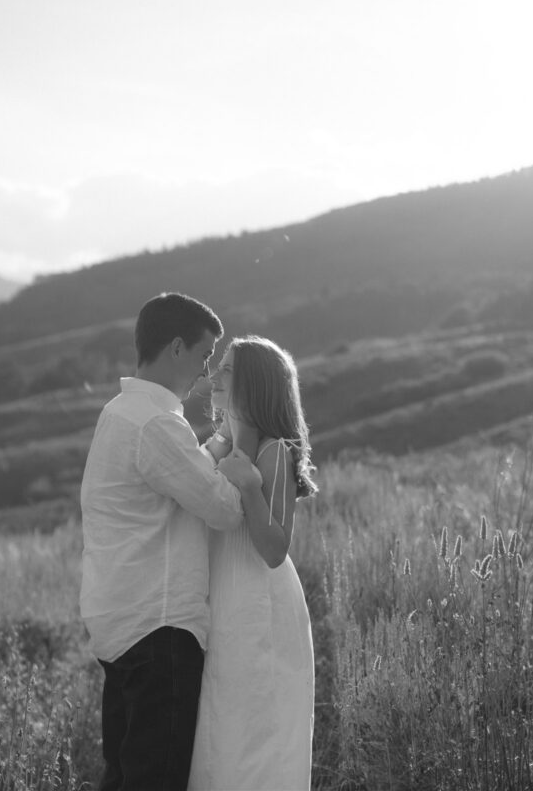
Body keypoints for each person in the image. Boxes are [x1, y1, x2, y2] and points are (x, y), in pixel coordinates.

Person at [79, 292, 244, 791]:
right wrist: (242, 467)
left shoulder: (120, 412)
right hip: (159, 627)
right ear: (176, 347)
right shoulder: (156, 424)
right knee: (157, 779)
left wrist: (214, 446)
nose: (206, 371)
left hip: (120, 623)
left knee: (126, 776)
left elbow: (176, 475)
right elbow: (223, 509)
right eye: (204, 355)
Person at [188, 335, 317, 791]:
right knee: (219, 725)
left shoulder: (273, 451)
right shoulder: (219, 444)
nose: (213, 377)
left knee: (254, 731)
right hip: (222, 598)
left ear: (253, 384)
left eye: (226, 370)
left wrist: (247, 486)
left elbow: (275, 549)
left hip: (259, 604)